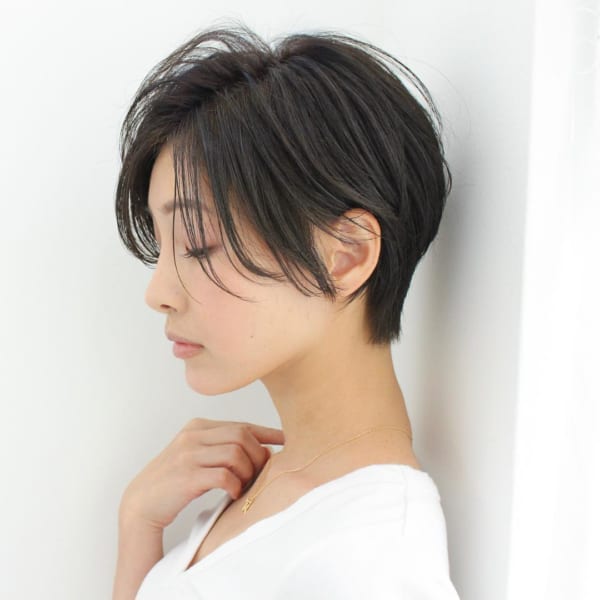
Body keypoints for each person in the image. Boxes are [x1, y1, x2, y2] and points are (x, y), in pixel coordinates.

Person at [112, 20, 459, 600]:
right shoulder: (275, 482)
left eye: (197, 243)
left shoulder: (371, 558)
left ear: (346, 255)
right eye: (162, 246)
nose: (158, 292)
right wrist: (139, 527)